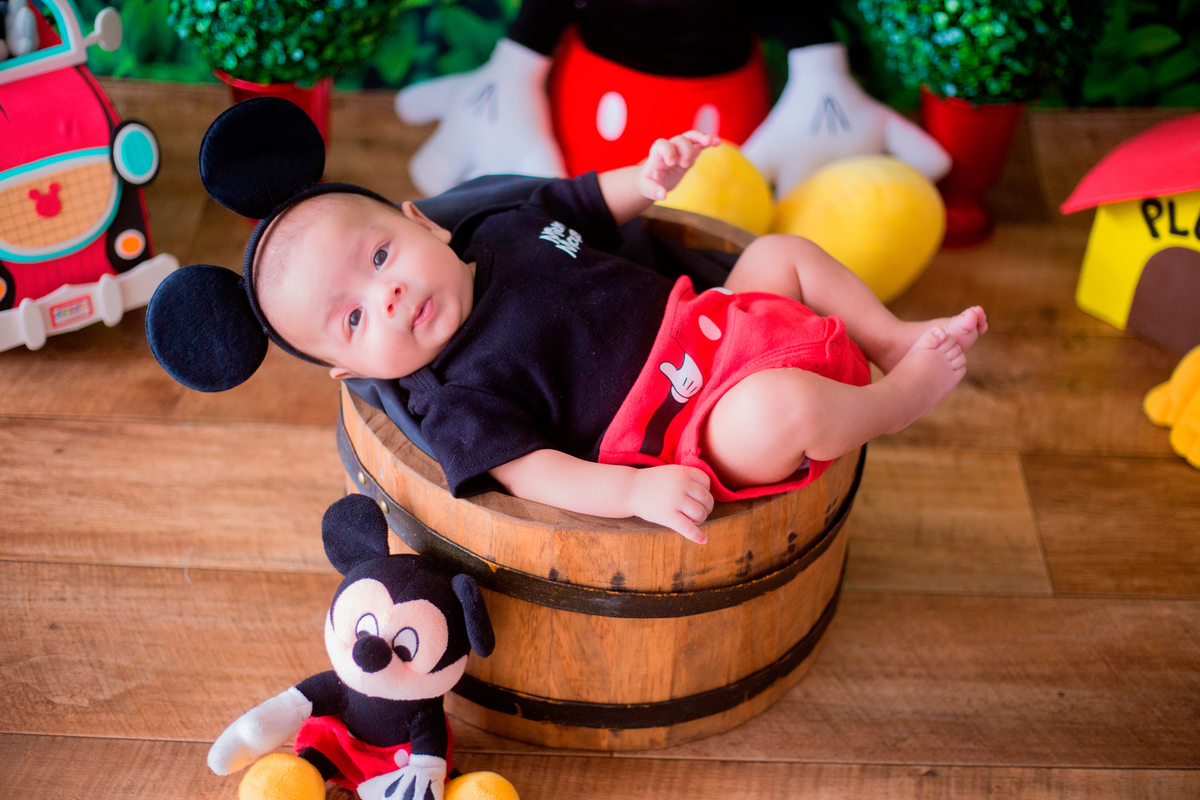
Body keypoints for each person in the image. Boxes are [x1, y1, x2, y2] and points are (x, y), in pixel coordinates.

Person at [227, 130, 986, 544]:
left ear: (424, 224)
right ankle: (896, 401)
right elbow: (533, 475)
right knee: (780, 409)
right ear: (348, 370)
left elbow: (586, 203)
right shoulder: (457, 398)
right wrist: (634, 492)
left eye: (380, 257)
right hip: (688, 424)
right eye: (354, 320)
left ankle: (889, 337)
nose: (387, 295)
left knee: (783, 254)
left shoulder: (505, 229)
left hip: (713, 315)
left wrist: (648, 177)